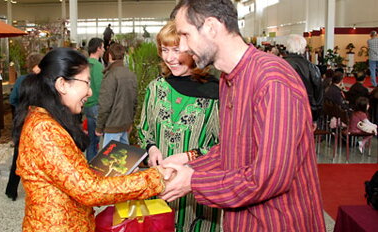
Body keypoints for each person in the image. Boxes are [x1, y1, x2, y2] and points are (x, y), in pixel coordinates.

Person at [160, 0, 326, 231]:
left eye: (186, 35)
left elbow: (269, 177)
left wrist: (193, 181)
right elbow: (233, 150)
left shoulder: (272, 80)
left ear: (211, 26)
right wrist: (189, 165)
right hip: (242, 220)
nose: (184, 48)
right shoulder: (229, 80)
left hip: (278, 222)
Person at [13, 48, 165, 231]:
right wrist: (156, 178)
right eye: (86, 82)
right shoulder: (43, 129)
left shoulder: (50, 119)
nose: (90, 92)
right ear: (62, 84)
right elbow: (88, 190)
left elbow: (73, 178)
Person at [138, 21, 220, 232]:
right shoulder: (156, 88)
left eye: (177, 50)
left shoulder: (216, 93)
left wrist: (190, 156)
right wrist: (151, 148)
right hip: (161, 191)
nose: (169, 58)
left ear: (194, 51)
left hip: (199, 196)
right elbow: (144, 131)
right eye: (165, 50)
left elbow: (228, 147)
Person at [5, 52, 44, 201]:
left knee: (18, 157)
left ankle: (11, 190)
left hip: (22, 121)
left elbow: (12, 99)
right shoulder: (43, 81)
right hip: (39, 122)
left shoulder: (21, 80)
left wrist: (22, 108)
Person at [95, 43, 137, 148]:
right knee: (125, 159)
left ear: (109, 55)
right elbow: (134, 102)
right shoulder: (131, 74)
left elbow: (105, 104)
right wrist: (130, 122)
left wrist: (99, 127)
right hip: (125, 124)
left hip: (112, 126)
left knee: (109, 161)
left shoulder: (111, 75)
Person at [284, 34, 323, 122]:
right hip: (306, 110)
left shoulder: (279, 65)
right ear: (304, 48)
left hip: (284, 110)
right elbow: (319, 94)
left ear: (287, 46)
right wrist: (315, 118)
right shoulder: (311, 67)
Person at [84, 38, 105, 161]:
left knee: (91, 140)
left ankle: (90, 166)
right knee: (100, 140)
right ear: (98, 48)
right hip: (97, 105)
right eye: (102, 47)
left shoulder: (85, 64)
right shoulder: (97, 66)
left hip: (87, 105)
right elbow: (101, 87)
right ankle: (97, 167)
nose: (103, 50)